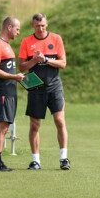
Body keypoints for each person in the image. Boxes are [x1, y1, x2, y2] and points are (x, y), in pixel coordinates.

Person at [18, 13, 70, 170]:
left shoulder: (56, 39)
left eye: (43, 25)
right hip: (35, 88)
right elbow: (21, 67)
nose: (40, 28)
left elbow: (63, 63)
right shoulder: (27, 41)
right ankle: (36, 160)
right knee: (34, 125)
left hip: (54, 86)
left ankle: (64, 158)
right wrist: (34, 60)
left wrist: (46, 60)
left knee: (60, 121)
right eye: (37, 26)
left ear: (47, 24)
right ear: (32, 26)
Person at [0, 16, 25, 172]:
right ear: (9, 27)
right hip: (3, 90)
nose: (18, 32)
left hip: (11, 90)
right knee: (2, 126)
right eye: (17, 29)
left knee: (6, 126)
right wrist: (14, 77)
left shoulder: (7, 45)